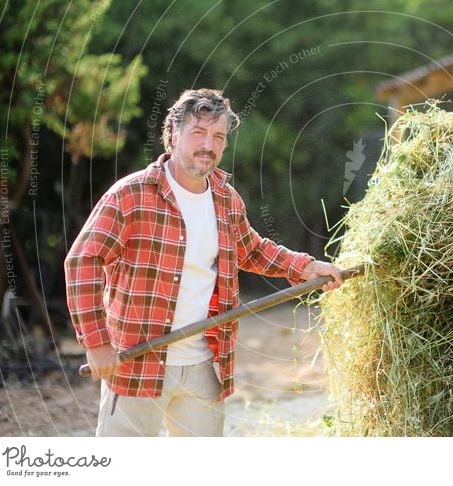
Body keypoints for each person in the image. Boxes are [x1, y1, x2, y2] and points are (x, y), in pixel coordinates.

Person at [64, 88, 342, 437]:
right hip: (137, 361)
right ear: (174, 135)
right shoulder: (130, 194)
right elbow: (83, 261)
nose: (208, 144)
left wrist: (303, 266)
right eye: (198, 132)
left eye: (218, 136)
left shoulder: (226, 199)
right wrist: (96, 343)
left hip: (204, 364)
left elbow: (251, 249)